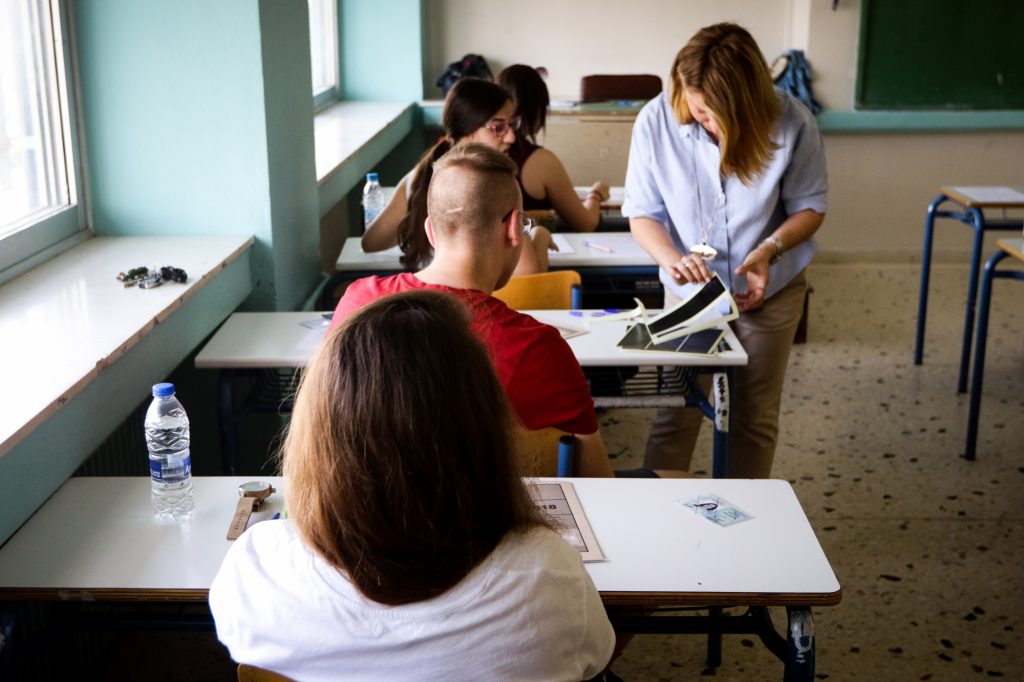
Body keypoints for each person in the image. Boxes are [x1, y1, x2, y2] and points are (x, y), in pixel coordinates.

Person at [210, 291, 615, 681]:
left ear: (317, 433)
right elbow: (594, 657)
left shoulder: (256, 571)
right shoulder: (549, 579)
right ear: (483, 430)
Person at [332, 141, 614, 478]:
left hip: (363, 507)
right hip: (493, 511)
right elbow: (597, 480)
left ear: (430, 231)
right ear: (513, 228)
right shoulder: (538, 349)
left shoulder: (357, 303)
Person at [622, 22, 828, 478]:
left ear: (747, 105)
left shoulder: (793, 122)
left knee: (753, 417)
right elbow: (642, 214)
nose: (708, 125)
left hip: (770, 290)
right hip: (688, 294)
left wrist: (770, 248)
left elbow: (811, 207)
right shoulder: (656, 121)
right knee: (676, 412)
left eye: (717, 117)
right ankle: (659, 514)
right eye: (699, 112)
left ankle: (743, 515)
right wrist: (673, 260)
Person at [361, 77, 553, 273]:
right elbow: (528, 274)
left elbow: (371, 243)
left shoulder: (419, 175)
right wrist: (540, 236)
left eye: (512, 124)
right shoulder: (493, 182)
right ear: (467, 130)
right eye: (498, 127)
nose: (511, 137)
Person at [498, 64, 610, 232]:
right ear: (535, 109)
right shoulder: (540, 161)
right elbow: (585, 223)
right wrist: (596, 195)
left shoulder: (474, 155)